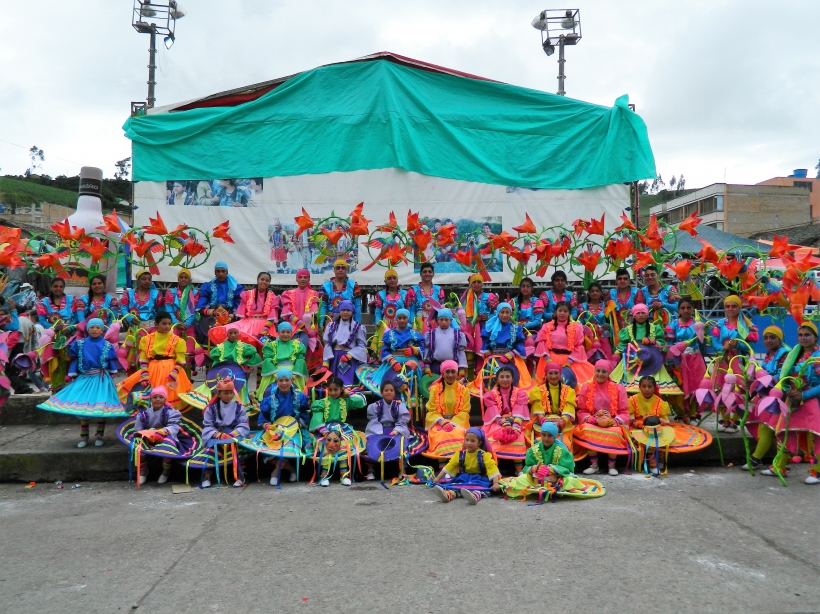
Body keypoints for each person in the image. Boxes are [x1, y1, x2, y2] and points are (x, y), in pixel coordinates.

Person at [37, 318, 127, 448]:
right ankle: (84, 436)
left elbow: (111, 361)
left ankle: (99, 434)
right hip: (85, 378)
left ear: (102, 330)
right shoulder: (80, 344)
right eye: (92, 327)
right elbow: (75, 360)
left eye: (98, 327)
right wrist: (72, 374)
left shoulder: (107, 345)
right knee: (83, 407)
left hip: (101, 379)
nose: (95, 330)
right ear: (87, 329)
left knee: (100, 408)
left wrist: (112, 372)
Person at [753, 322, 820, 483]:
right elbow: (786, 376)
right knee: (784, 431)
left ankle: (817, 472)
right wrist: (787, 388)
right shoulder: (794, 355)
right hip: (793, 400)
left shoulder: (817, 358)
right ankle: (779, 466)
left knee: (817, 435)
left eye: (807, 335)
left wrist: (804, 395)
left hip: (812, 401)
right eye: (800, 335)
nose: (803, 338)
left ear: (815, 337)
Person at [498, 421, 605, 502]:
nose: (546, 438)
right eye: (544, 435)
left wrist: (553, 469)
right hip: (536, 480)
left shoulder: (562, 450)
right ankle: (542, 488)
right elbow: (526, 468)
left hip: (556, 480)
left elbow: (568, 469)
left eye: (549, 436)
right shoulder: (533, 450)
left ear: (555, 437)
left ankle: (553, 489)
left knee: (571, 481)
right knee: (521, 478)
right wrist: (533, 468)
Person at [117, 311, 193, 410]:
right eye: (164, 323)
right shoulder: (147, 339)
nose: (167, 326)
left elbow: (180, 360)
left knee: (170, 393)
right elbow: (143, 360)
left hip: (170, 371)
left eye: (169, 324)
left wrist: (174, 373)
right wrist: (144, 375)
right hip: (152, 369)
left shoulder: (177, 340)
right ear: (156, 324)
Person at [710, 295, 758, 432]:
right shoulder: (719, 324)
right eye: (727, 306)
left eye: (734, 306)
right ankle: (725, 420)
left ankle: (735, 420)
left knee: (738, 390)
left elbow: (752, 345)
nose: (730, 309)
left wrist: (739, 345)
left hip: (739, 360)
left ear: (739, 307)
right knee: (720, 388)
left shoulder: (748, 325)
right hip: (723, 360)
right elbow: (713, 341)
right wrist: (721, 348)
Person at [574, 360, 630, 476]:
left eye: (603, 371)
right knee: (586, 429)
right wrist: (590, 419)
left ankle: (612, 465)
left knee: (616, 432)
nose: (600, 374)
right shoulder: (586, 388)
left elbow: (624, 411)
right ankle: (594, 464)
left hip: (612, 423)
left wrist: (614, 421)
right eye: (598, 371)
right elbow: (582, 410)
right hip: (593, 422)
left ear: (608, 373)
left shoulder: (618, 388)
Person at [611, 303, 680, 396]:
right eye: (638, 313)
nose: (641, 315)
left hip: (651, 360)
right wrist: (618, 352)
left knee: (652, 387)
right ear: (634, 315)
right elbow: (623, 344)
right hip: (632, 362)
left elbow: (662, 342)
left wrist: (653, 342)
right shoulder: (628, 330)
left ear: (647, 314)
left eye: (643, 313)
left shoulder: (655, 328)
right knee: (630, 388)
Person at [257, 368, 312, 486]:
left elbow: (304, 414)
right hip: (275, 430)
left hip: (294, 430)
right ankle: (291, 470)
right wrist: (266, 426)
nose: (284, 383)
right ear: (276, 381)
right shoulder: (270, 399)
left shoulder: (299, 397)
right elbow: (263, 417)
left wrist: (299, 424)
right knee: (265, 448)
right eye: (281, 380)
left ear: (292, 381)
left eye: (287, 380)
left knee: (288, 447)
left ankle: (275, 473)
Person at [359, 308, 425, 397]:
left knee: (411, 383)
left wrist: (414, 350)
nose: (402, 320)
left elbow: (423, 347)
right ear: (396, 319)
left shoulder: (414, 334)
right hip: (393, 362)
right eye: (399, 318)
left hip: (411, 363)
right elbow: (384, 350)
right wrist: (392, 361)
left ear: (408, 319)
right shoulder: (389, 334)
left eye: (404, 318)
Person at [200, 376, 251, 488]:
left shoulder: (239, 407)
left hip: (234, 434)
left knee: (237, 448)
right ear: (218, 394)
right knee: (213, 450)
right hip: (217, 435)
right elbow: (208, 425)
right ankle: (207, 475)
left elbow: (244, 423)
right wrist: (218, 434)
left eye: (230, 393)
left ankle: (240, 475)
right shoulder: (211, 409)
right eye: (225, 393)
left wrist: (234, 433)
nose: (229, 396)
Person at [432, 427, 501, 504]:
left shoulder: (484, 456)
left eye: (472, 441)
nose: (468, 443)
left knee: (479, 488)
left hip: (479, 478)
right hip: (464, 477)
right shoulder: (460, 455)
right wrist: (438, 478)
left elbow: (492, 468)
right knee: (456, 486)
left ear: (479, 443)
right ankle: (448, 495)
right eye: (467, 440)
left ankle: (474, 496)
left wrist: (495, 483)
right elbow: (449, 466)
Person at [664, 298, 707, 420]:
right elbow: (669, 346)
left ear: (693, 309)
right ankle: (682, 413)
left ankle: (693, 413)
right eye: (683, 308)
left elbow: (702, 343)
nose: (686, 310)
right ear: (678, 310)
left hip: (695, 360)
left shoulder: (697, 324)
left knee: (695, 386)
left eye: (689, 307)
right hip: (679, 361)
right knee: (681, 386)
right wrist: (670, 363)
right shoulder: (673, 325)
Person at [482, 366, 530, 473]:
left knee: (518, 435)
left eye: (508, 377)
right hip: (497, 421)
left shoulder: (520, 393)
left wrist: (515, 424)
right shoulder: (490, 395)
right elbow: (493, 410)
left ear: (513, 379)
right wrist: (501, 421)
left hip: (516, 420)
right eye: (502, 377)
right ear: (497, 379)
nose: (505, 379)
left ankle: (519, 469)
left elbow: (519, 409)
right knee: (494, 436)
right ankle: (494, 468)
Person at [535, 301, 595, 387]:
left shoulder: (576, 327)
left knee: (572, 384)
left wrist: (569, 362)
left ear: (569, 313)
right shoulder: (547, 326)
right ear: (555, 312)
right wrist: (547, 359)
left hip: (569, 360)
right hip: (550, 359)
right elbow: (542, 342)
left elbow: (578, 346)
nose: (562, 313)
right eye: (560, 310)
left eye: (565, 311)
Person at [131, 386, 183, 485]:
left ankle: (166, 470)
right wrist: (148, 434)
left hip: (165, 436)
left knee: (168, 446)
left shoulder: (171, 412)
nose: (158, 399)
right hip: (149, 436)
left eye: (161, 397)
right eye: (155, 397)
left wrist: (162, 432)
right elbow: (138, 430)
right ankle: (143, 470)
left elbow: (174, 426)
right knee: (139, 445)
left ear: (165, 399)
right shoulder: (143, 414)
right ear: (151, 399)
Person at [363, 381, 412, 481]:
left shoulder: (399, 406)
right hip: (379, 430)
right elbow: (373, 419)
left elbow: (402, 420)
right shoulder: (376, 406)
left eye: (391, 390)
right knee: (371, 445)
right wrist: (377, 431)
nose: (389, 392)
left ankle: (402, 470)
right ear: (381, 392)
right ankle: (370, 470)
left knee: (402, 445)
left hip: (395, 429)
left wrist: (397, 430)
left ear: (394, 393)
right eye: (386, 390)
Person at [424, 360, 472, 461]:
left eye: (453, 372)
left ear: (457, 373)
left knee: (456, 433)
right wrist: (442, 422)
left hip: (458, 423)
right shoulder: (435, 389)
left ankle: (458, 464)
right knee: (441, 434)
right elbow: (431, 410)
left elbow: (464, 411)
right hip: (439, 422)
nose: (450, 375)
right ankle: (442, 465)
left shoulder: (464, 390)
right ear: (443, 373)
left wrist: (453, 424)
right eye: (447, 372)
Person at [478, 301, 530, 390]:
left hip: (511, 358)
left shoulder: (516, 328)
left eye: (507, 312)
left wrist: (511, 355)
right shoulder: (490, 327)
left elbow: (519, 344)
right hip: (493, 359)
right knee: (490, 383)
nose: (505, 315)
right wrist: (490, 355)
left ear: (511, 314)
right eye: (502, 312)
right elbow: (486, 343)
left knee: (517, 383)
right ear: (498, 313)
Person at [37, 279, 77, 390]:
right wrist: (54, 328)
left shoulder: (71, 300)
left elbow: (76, 317)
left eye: (61, 286)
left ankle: (67, 388)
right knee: (53, 361)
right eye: (55, 286)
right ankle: (55, 387)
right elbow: (42, 320)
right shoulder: (43, 302)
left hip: (69, 336)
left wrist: (68, 328)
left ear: (64, 288)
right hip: (52, 337)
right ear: (51, 287)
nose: (58, 289)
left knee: (69, 360)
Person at [280, 269, 323, 372]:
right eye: (300, 277)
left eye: (305, 277)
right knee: (289, 355)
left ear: (309, 279)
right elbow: (287, 312)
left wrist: (309, 326)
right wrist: (299, 323)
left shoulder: (314, 294)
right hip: (292, 328)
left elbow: (314, 312)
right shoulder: (288, 294)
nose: (303, 279)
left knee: (304, 354)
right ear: (296, 279)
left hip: (308, 328)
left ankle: (303, 379)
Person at [528, 361, 577, 449]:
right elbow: (538, 409)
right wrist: (545, 422)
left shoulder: (569, 391)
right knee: (539, 444)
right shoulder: (538, 390)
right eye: (550, 373)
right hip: (543, 422)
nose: (553, 376)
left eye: (556, 373)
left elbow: (568, 410)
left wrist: (561, 422)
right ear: (546, 375)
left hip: (562, 423)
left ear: (560, 374)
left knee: (564, 444)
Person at [322, 300, 367, 386]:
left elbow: (361, 346)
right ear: (339, 311)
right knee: (335, 384)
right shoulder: (331, 326)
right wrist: (326, 362)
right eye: (343, 310)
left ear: (352, 311)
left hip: (350, 358)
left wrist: (349, 355)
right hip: (334, 357)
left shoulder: (358, 327)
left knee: (348, 384)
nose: (345, 312)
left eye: (348, 310)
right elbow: (327, 344)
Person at [257, 322, 308, 396]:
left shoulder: (297, 345)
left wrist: (294, 375)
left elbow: (300, 360)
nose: (285, 334)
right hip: (275, 371)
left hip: (293, 372)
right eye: (283, 332)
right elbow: (268, 360)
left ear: (291, 333)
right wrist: (276, 374)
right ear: (278, 332)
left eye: (288, 332)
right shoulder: (272, 345)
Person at [227, 272, 279, 339]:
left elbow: (272, 316)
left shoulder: (273, 297)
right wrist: (242, 326)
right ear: (257, 280)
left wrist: (265, 329)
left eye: (267, 281)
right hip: (249, 325)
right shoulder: (247, 294)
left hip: (266, 325)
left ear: (269, 283)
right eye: (262, 279)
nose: (264, 282)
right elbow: (242, 315)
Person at [369, 269, 408, 353]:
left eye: (394, 278)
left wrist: (408, 324)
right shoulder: (380, 294)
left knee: (400, 349)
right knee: (384, 350)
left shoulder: (404, 294)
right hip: (385, 325)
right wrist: (378, 322)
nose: (392, 280)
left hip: (400, 324)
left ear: (397, 280)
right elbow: (378, 311)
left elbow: (407, 310)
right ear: (385, 281)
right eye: (389, 278)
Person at [460, 273, 499, 358]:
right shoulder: (465, 298)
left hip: (483, 327)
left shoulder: (488, 296)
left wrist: (490, 317)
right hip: (469, 327)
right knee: (469, 354)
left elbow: (500, 311)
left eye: (479, 282)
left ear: (482, 284)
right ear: (470, 284)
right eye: (474, 282)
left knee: (482, 352)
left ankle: (480, 371)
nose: (476, 284)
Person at [423, 308, 467, 378]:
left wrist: (461, 369)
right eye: (441, 319)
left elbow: (460, 352)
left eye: (446, 320)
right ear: (438, 320)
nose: (444, 322)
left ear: (451, 320)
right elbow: (427, 350)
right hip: (435, 367)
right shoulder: (431, 334)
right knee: (436, 387)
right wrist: (427, 367)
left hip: (452, 368)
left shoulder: (458, 335)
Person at [607, 267, 645, 343]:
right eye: (620, 279)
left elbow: (641, 311)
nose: (622, 281)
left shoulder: (636, 292)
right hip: (616, 332)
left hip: (634, 329)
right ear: (616, 281)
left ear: (629, 281)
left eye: (625, 278)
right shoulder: (611, 293)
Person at [405, 262, 445, 333]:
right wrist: (413, 324)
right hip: (418, 322)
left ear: (433, 274)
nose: (427, 274)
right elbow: (411, 310)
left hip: (435, 322)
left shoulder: (439, 290)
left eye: (430, 272)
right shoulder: (413, 290)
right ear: (420, 274)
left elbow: (441, 309)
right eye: (424, 272)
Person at [319, 259, 361, 324]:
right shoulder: (325, 286)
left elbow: (357, 306)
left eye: (343, 268)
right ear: (334, 270)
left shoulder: (354, 285)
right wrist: (321, 325)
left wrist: (358, 324)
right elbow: (323, 307)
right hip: (330, 323)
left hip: (349, 323)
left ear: (346, 270)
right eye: (338, 268)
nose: (340, 270)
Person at [578, 282, 612, 360]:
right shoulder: (582, 306)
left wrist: (607, 326)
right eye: (592, 291)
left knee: (605, 360)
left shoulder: (606, 306)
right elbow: (580, 324)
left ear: (601, 293)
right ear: (589, 293)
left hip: (603, 337)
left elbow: (611, 323)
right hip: (588, 339)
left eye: (597, 291)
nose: (595, 293)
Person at [165, 268, 199, 339]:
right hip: (174, 324)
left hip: (189, 325)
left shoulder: (195, 293)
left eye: (186, 277)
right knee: (172, 343)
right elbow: (169, 311)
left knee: (190, 344)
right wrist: (176, 323)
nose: (183, 279)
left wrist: (187, 324)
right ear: (178, 279)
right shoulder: (171, 293)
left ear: (190, 280)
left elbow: (194, 311)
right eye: (181, 277)